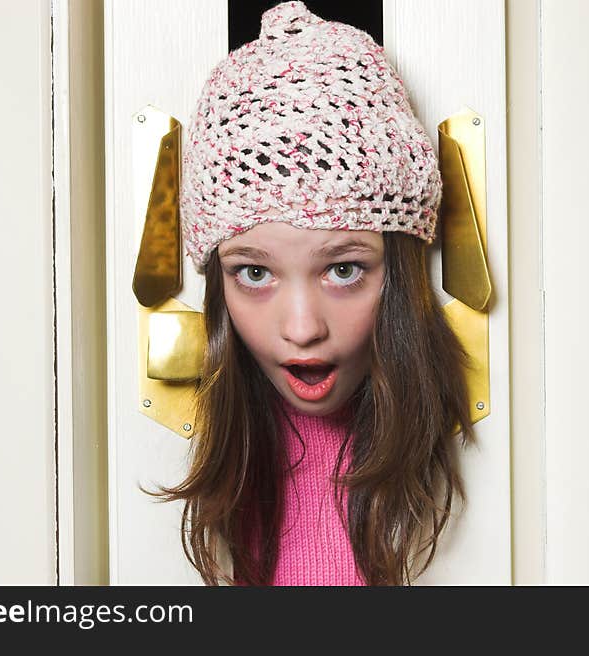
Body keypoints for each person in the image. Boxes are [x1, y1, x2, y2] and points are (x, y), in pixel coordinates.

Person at [146, 1, 475, 586]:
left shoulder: (490, 463)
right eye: (254, 273)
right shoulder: (233, 461)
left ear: (398, 271)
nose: (301, 328)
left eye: (343, 271)